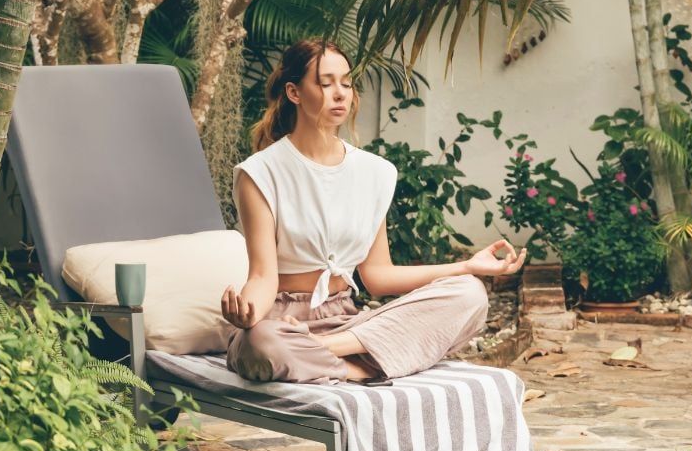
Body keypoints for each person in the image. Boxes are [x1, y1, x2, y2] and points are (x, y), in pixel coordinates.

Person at [221, 39, 527, 384]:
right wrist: (248, 314)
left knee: (469, 293)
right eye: (325, 83)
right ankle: (363, 366)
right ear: (294, 92)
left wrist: (468, 266)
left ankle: (326, 349)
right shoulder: (260, 173)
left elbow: (378, 276)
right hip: (283, 324)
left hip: (347, 324)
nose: (340, 94)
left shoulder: (374, 171)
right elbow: (264, 276)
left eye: (347, 83)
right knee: (259, 345)